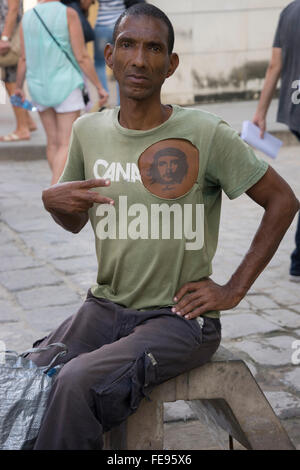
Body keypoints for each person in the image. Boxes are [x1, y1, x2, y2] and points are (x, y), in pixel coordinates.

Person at [26, 3, 299, 450]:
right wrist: (52, 202)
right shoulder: (86, 131)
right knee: (34, 371)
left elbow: (283, 200)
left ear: (170, 64)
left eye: (154, 48)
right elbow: (75, 221)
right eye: (129, 45)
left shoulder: (205, 132)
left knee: (76, 383)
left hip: (178, 320)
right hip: (104, 308)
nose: (139, 59)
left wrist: (233, 290)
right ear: (110, 55)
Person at [14, 0, 108, 185]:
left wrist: (18, 86)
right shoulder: (68, 14)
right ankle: (55, 190)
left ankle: (58, 187)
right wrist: (99, 86)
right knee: (66, 143)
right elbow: (81, 56)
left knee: (53, 143)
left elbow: (23, 58)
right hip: (67, 84)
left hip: (38, 87)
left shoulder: (28, 17)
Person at [252, 0, 300, 282]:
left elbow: (274, 66)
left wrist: (260, 112)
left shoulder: (289, 11)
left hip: (294, 108)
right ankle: (298, 261)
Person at [0, 0, 37, 142]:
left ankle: (22, 128)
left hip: (9, 40)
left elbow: (13, 9)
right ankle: (27, 121)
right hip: (8, 36)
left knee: (12, 81)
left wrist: (4, 38)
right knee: (9, 81)